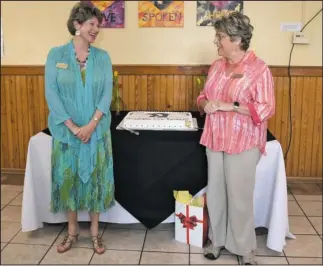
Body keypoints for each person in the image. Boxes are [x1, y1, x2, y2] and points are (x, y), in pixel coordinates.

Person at [197, 12, 275, 265]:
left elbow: (265, 108)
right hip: (215, 138)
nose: (216, 42)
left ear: (237, 39)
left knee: (239, 196)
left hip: (243, 141)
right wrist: (206, 103)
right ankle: (217, 241)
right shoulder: (216, 66)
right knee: (217, 193)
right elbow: (202, 96)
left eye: (220, 37)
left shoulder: (258, 69)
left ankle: (244, 248)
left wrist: (230, 106)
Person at [45, 1, 114, 255]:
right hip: (66, 134)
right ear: (77, 24)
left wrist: (91, 125)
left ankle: (96, 234)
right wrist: (74, 128)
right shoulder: (56, 55)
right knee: (69, 180)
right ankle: (72, 232)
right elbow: (52, 95)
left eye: (98, 25)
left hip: (96, 132)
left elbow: (106, 94)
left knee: (96, 180)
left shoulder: (103, 58)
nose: (96, 29)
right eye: (91, 24)